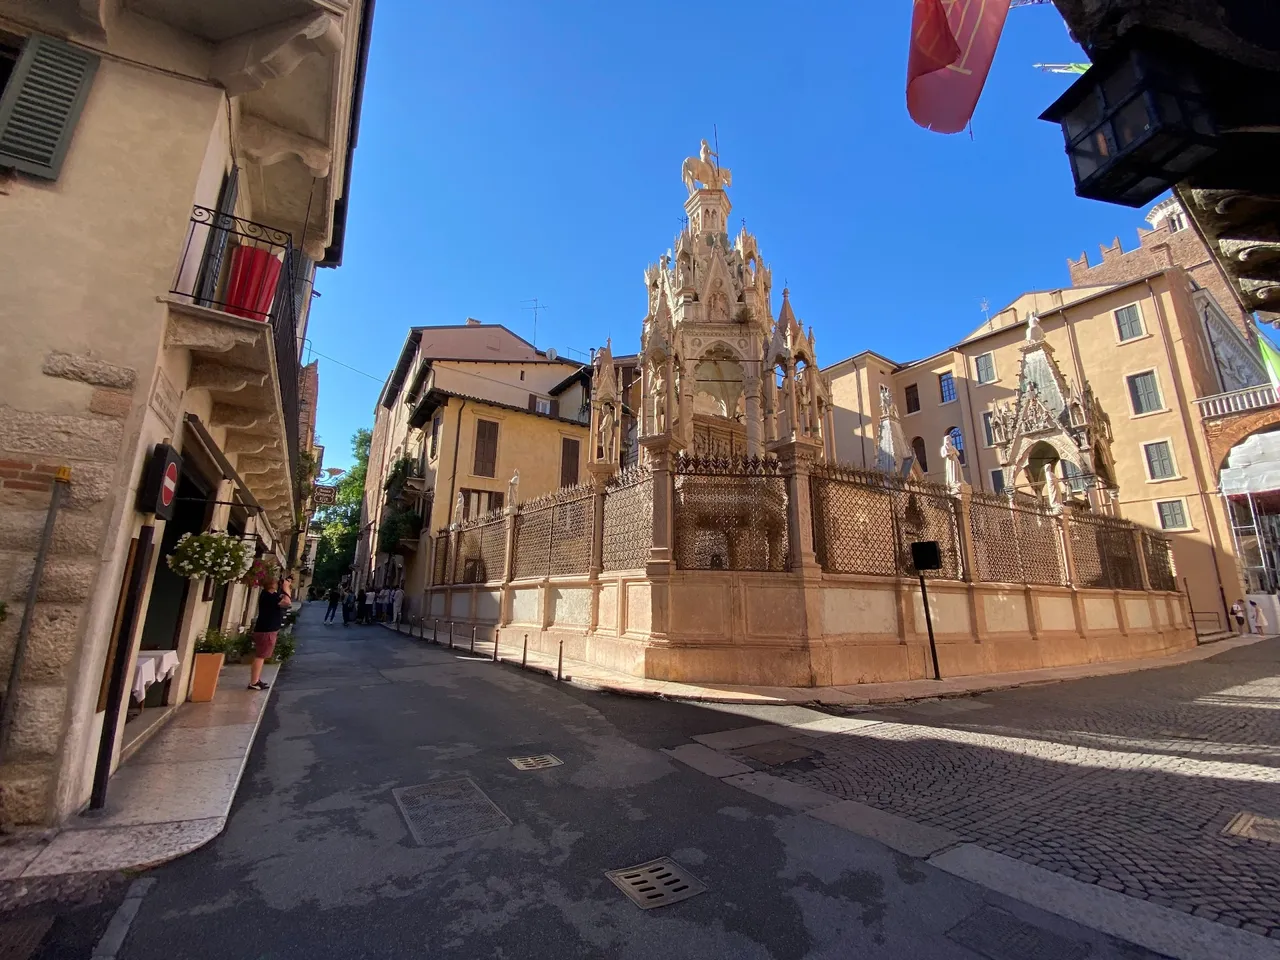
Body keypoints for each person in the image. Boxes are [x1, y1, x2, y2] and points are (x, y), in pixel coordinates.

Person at [249, 575, 291, 690]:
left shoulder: (268, 595)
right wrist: (286, 587)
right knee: (260, 656)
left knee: (261, 656)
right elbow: (287, 602)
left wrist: (284, 590)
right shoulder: (269, 597)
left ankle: (256, 679)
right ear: (272, 585)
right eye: (277, 583)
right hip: (266, 631)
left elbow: (281, 598)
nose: (278, 584)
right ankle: (254, 682)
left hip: (266, 629)